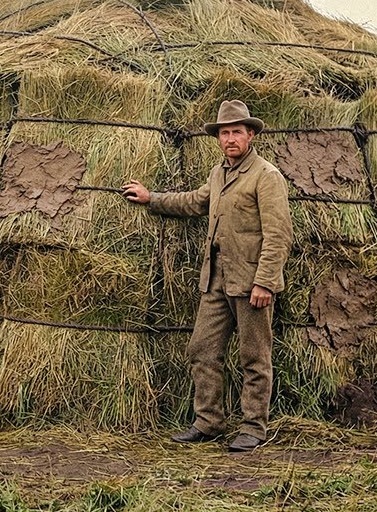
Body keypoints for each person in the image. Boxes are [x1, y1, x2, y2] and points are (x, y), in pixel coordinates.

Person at [121, 100, 292, 452]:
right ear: (218, 138)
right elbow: (193, 202)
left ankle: (253, 427)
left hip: (249, 283)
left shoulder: (266, 176)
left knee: (254, 357)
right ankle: (209, 421)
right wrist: (151, 198)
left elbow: (279, 234)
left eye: (236, 132)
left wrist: (264, 281)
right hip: (216, 280)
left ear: (251, 135)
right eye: (224, 133)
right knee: (201, 349)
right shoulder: (219, 175)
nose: (230, 139)